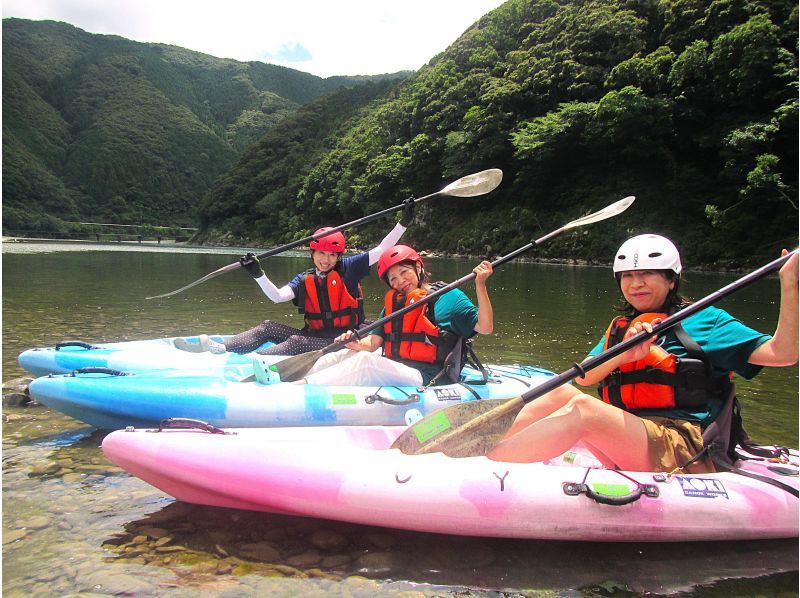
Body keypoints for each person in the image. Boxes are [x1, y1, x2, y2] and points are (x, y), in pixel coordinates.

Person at [487, 234, 798, 473]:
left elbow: (783, 354)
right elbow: (584, 377)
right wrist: (624, 356)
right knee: (561, 394)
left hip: (684, 446)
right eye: (627, 276)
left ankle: (488, 465)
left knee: (584, 410)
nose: (635, 284)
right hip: (633, 436)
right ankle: (480, 447)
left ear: (671, 279)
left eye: (647, 274)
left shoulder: (706, 320)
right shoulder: (621, 327)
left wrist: (790, 286)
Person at [174, 201, 415, 355]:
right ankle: (222, 349)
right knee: (268, 327)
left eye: (332, 255)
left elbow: (381, 249)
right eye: (321, 253)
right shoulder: (304, 279)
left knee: (296, 342)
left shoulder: (349, 268)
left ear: (338, 256)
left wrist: (403, 223)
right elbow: (277, 297)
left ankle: (256, 361)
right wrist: (257, 273)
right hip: (315, 336)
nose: (326, 260)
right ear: (312, 253)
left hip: (344, 338)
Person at [298, 244, 494, 387]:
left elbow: (485, 327)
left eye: (404, 272)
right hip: (397, 368)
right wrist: (354, 343)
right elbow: (373, 343)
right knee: (345, 353)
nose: (400, 281)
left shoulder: (449, 297)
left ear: (418, 268)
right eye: (393, 278)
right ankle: (294, 379)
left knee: (366, 362)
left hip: (429, 376)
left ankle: (302, 388)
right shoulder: (397, 305)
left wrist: (480, 285)